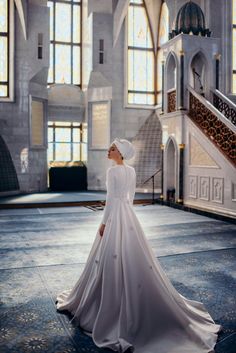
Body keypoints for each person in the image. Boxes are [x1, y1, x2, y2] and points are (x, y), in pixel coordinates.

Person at [56, 138, 222, 353]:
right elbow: (130, 197)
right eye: (110, 147)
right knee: (135, 255)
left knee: (110, 254)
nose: (109, 150)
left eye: (113, 149)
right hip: (128, 214)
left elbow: (110, 199)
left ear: (121, 153)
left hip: (115, 214)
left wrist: (104, 222)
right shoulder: (131, 171)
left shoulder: (113, 171)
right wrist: (127, 212)